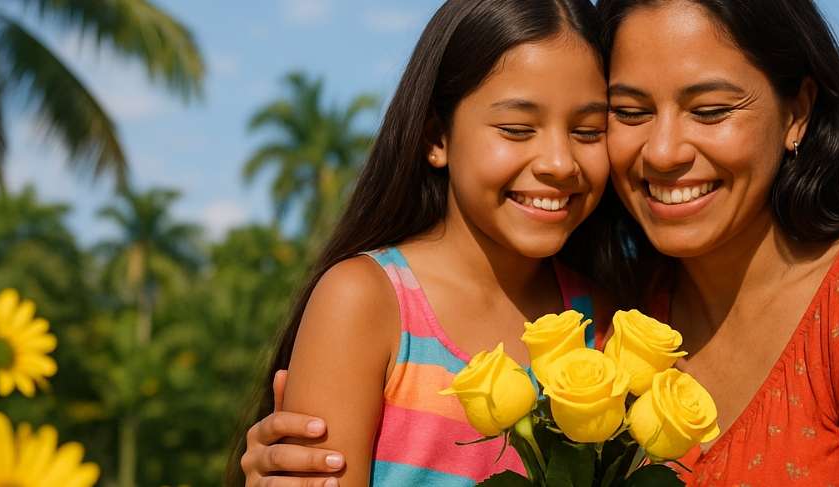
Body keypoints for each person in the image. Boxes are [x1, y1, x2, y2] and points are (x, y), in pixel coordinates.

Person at [240, 1, 839, 485]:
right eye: (628, 111)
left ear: (798, 112)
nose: (662, 150)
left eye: (710, 109)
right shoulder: (627, 313)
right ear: (435, 134)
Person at [227, 0, 615, 485]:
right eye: (516, 129)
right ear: (437, 138)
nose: (559, 162)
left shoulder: (608, 325)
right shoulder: (366, 302)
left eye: (588, 131)